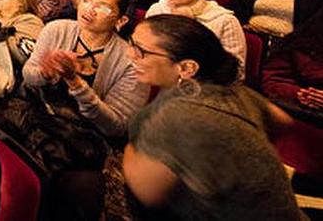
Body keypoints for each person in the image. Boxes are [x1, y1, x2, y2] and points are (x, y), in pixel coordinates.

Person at [124, 15, 303, 220]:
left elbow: (148, 192)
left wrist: (132, 146)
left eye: (142, 51)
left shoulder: (179, 115)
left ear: (186, 68)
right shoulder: (233, 91)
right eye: (131, 43)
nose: (130, 54)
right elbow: (282, 120)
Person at [23, 0, 149, 137]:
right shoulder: (55, 29)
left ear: (120, 21)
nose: (89, 10)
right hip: (36, 114)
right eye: (86, 0)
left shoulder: (129, 62)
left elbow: (117, 126)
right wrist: (45, 73)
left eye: (102, 7)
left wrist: (75, 83)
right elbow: (28, 76)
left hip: (82, 137)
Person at [145, 0, 245, 78]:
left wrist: (190, 26)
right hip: (161, 77)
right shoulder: (157, 10)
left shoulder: (224, 20)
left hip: (207, 83)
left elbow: (237, 70)